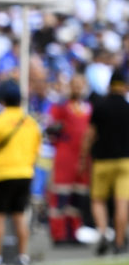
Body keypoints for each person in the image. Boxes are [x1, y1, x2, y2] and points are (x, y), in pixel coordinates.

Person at [0, 81, 42, 265]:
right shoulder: (31, 123)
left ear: (3, 100)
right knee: (19, 215)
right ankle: (22, 255)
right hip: (24, 173)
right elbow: (36, 151)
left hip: (1, 173)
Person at [79, 68, 129, 255]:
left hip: (102, 161)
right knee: (122, 202)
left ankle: (103, 232)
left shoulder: (100, 107)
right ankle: (119, 240)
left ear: (109, 86)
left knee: (98, 200)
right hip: (125, 161)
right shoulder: (127, 107)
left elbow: (90, 135)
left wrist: (82, 158)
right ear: (124, 87)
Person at [46, 73, 92, 244]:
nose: (78, 88)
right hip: (65, 156)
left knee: (77, 197)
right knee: (61, 196)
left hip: (83, 158)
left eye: (81, 85)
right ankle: (58, 233)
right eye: (75, 85)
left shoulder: (88, 108)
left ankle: (74, 232)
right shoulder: (61, 107)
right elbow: (51, 129)